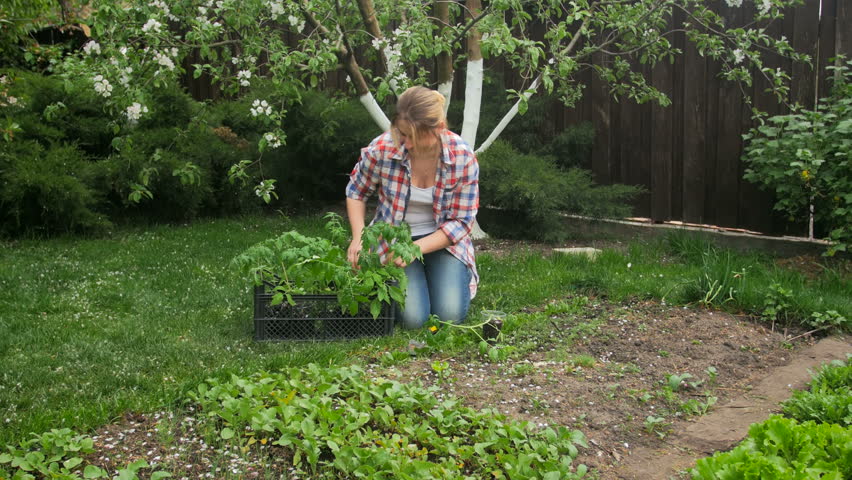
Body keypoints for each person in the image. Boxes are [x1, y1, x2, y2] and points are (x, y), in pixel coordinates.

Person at [345, 86, 479, 329]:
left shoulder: (462, 157)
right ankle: (414, 280)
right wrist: (359, 238)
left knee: (449, 316)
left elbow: (462, 223)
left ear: (438, 128)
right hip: (393, 240)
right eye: (401, 133)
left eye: (412, 137)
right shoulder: (383, 149)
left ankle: (446, 273)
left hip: (443, 242)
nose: (404, 144)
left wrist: (413, 250)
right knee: (414, 320)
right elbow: (356, 192)